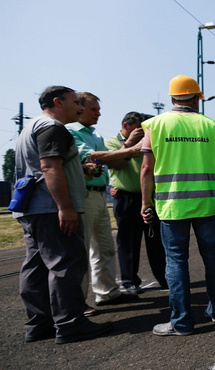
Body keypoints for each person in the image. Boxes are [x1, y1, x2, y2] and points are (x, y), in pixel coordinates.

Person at [14, 85, 113, 344]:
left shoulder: (32, 126)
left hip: (33, 207)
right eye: (74, 102)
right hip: (50, 208)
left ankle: (39, 324)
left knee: (35, 267)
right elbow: (49, 167)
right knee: (66, 263)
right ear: (57, 102)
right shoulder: (52, 127)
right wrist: (65, 208)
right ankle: (71, 324)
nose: (79, 107)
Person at [140, 75, 215, 336]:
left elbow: (147, 168)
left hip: (172, 205)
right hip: (208, 204)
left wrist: (145, 203)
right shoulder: (214, 127)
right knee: (213, 257)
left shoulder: (156, 125)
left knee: (176, 261)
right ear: (197, 98)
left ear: (171, 99)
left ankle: (181, 322)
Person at [66, 92, 139, 315]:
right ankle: (76, 303)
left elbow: (109, 162)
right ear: (79, 108)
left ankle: (107, 292)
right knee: (81, 251)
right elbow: (92, 157)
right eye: (94, 109)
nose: (99, 113)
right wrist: (131, 149)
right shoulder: (71, 132)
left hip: (99, 195)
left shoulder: (95, 135)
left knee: (104, 248)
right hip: (84, 195)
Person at [105, 112, 167, 293]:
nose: (144, 132)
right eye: (140, 129)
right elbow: (115, 164)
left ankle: (164, 277)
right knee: (128, 242)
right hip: (127, 197)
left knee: (156, 241)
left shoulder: (150, 141)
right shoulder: (111, 143)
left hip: (151, 197)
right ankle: (130, 280)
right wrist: (130, 144)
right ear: (126, 125)